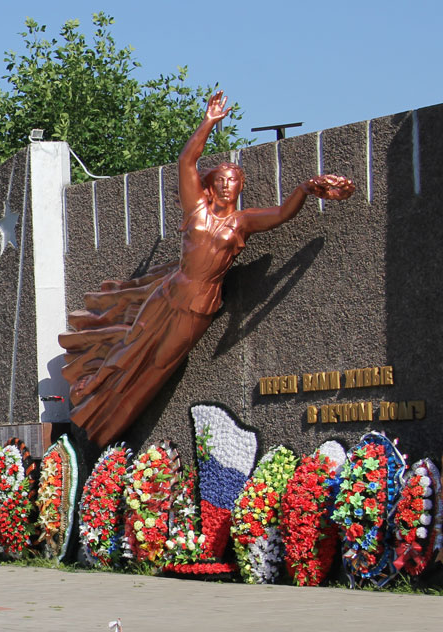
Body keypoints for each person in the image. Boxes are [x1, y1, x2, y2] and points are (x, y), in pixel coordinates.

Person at [59, 91, 355, 446]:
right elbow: (187, 160)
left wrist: (305, 190)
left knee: (161, 362)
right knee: (132, 340)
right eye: (222, 180)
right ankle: (93, 383)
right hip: (169, 290)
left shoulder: (243, 223)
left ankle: (112, 418)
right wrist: (209, 122)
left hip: (199, 305)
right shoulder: (195, 209)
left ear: (240, 188)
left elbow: (279, 214)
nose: (228, 185)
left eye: (234, 181)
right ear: (211, 185)